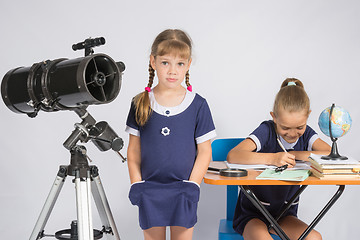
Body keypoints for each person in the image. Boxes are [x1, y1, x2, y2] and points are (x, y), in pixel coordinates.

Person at [125, 29, 216, 240]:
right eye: (165, 62)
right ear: (153, 61)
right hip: (150, 191)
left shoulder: (198, 105)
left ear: (188, 64)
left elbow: (204, 151)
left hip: (184, 190)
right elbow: (134, 149)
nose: (172, 71)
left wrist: (193, 184)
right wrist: (136, 182)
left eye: (180, 64)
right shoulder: (140, 103)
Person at [227, 78, 331, 240]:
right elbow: (234, 155)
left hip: (284, 215)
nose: (292, 133)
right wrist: (273, 158)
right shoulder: (267, 131)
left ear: (308, 116)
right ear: (274, 117)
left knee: (314, 238)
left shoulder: (308, 134)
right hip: (252, 215)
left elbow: (328, 153)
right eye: (285, 128)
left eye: (299, 127)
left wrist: (295, 154)